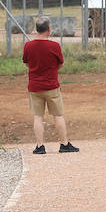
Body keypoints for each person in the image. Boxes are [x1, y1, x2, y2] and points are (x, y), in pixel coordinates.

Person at [22, 16, 78, 154]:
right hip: (51, 85)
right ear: (48, 29)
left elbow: (27, 63)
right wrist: (51, 71)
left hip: (35, 86)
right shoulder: (54, 46)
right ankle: (64, 144)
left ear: (36, 29)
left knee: (38, 116)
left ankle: (40, 146)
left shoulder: (28, 45)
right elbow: (60, 64)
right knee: (58, 115)